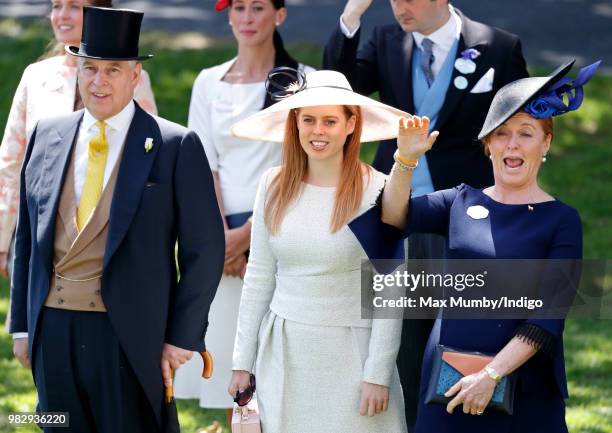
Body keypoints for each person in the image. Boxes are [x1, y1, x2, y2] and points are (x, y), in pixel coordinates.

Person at [348, 59, 599, 432]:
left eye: (526, 133)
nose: (512, 143)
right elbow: (392, 216)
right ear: (488, 145)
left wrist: (491, 374)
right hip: (447, 383)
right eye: (502, 133)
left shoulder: (561, 220)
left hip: (524, 389)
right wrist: (406, 160)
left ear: (546, 142)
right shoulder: (459, 202)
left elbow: (548, 317)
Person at [9, 7, 224, 433]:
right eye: (89, 68)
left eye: (112, 70)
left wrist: (182, 337)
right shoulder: (47, 135)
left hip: (129, 334)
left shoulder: (173, 145)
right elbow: (27, 238)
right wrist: (20, 326)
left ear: (135, 77)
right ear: (78, 72)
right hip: (52, 332)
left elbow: (205, 249)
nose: (99, 81)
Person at [323, 1, 529, 428]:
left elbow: (521, 129)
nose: (400, 6)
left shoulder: (500, 48)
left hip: (469, 222)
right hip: (395, 215)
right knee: (396, 340)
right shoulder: (385, 41)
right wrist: (350, 18)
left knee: (466, 340)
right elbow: (342, 90)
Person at [227, 69, 408, 433]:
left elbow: (391, 287)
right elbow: (259, 276)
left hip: (352, 357)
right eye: (308, 120)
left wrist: (378, 372)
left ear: (351, 124)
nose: (317, 131)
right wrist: (241, 363)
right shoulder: (272, 185)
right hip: (283, 353)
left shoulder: (378, 189)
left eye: (329, 121)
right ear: (294, 123)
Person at [172, 0, 314, 420]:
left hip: (282, 232)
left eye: (258, 8)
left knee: (279, 369)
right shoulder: (209, 81)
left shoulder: (301, 80)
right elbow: (202, 164)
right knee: (229, 376)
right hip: (222, 239)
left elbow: (300, 160)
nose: (247, 18)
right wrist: (221, 240)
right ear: (228, 15)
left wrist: (251, 233)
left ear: (280, 15)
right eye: (239, 8)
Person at [0, 0, 157, 280]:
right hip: (41, 228)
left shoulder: (133, 77)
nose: (61, 15)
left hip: (107, 232)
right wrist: (2, 237)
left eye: (74, 6)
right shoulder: (36, 77)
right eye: (56, 5)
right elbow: (11, 162)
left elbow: (149, 157)